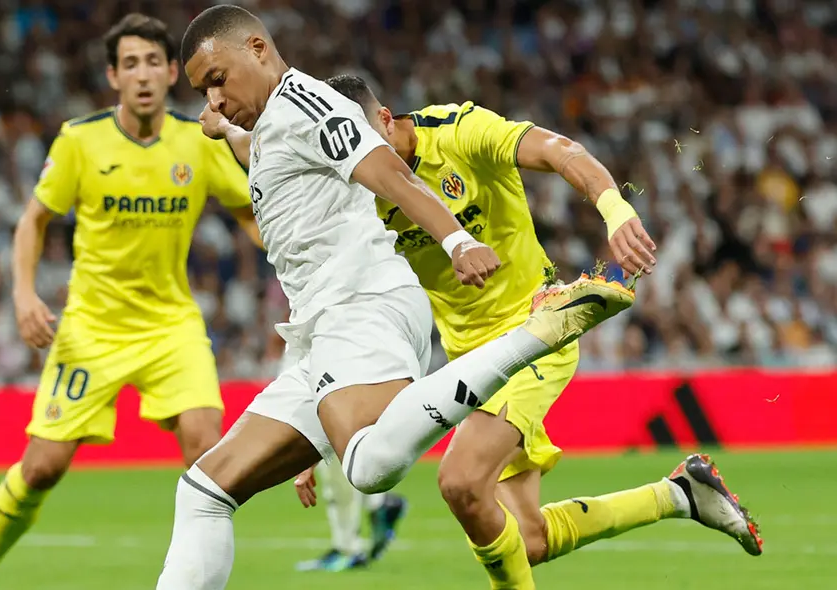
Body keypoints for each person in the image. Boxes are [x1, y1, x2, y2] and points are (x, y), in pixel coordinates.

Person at [154, 6, 642, 590]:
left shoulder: (311, 104)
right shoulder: (268, 124)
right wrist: (227, 129)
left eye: (218, 79)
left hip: (364, 303)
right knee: (204, 491)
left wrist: (458, 241)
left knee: (369, 466)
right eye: (204, 90)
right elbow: (266, 150)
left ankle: (533, 336)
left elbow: (392, 174)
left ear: (258, 48)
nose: (215, 97)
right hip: (321, 330)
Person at [287, 75, 764, 588]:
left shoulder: (459, 132)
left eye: (362, 142)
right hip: (467, 361)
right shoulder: (356, 190)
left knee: (461, 482)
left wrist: (614, 208)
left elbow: (562, 151)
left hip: (536, 329)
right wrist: (315, 426)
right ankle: (680, 494)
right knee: (528, 539)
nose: (358, 163)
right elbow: (338, 304)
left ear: (384, 119)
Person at [0, 14, 256, 590]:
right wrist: (23, 294)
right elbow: (33, 221)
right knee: (41, 468)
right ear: (113, 76)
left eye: (153, 63)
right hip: (92, 328)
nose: (142, 74)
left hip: (170, 325)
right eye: (129, 63)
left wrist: (299, 257)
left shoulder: (197, 141)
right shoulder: (80, 140)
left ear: (169, 73)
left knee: (208, 454)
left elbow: (248, 215)